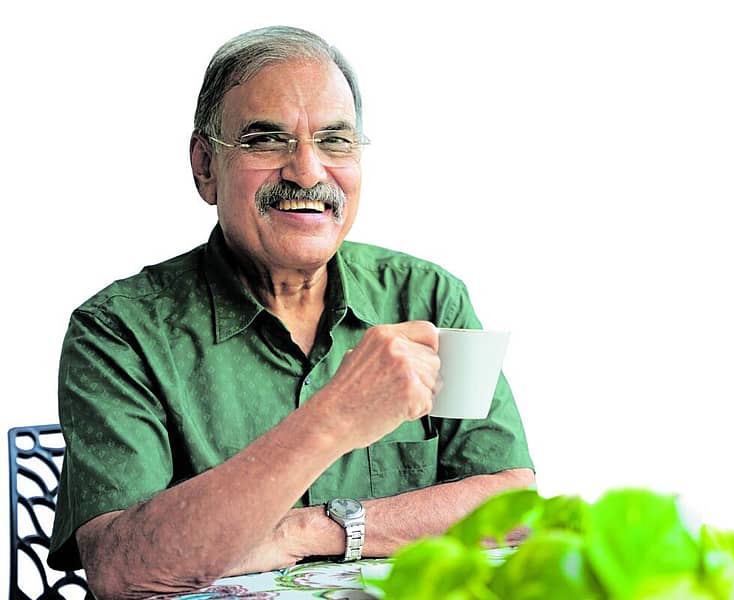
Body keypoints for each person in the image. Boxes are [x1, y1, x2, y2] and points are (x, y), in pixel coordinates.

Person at [47, 25, 534, 598]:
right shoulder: (118, 332)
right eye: (267, 140)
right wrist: (334, 418)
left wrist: (309, 529)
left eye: (335, 141)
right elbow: (122, 572)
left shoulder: (428, 298)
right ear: (205, 166)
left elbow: (511, 507)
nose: (307, 171)